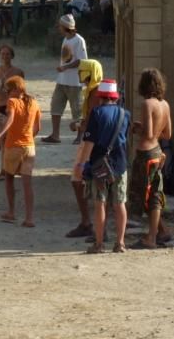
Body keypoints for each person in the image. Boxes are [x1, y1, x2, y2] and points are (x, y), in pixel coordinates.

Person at [74, 80, 131, 254]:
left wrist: (81, 164)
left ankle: (99, 244)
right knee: (120, 203)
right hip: (120, 164)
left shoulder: (96, 113)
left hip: (99, 165)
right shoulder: (125, 114)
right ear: (115, 97)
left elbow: (89, 142)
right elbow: (125, 139)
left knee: (100, 203)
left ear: (100, 97)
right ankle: (120, 243)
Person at [129, 68, 173, 250]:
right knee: (153, 192)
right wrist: (154, 131)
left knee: (147, 196)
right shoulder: (165, 105)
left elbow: (147, 134)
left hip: (145, 154)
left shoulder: (147, 104)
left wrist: (137, 128)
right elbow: (167, 134)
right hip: (157, 152)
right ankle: (162, 231)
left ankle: (151, 238)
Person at [0, 76, 41, 228]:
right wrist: (29, 137)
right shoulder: (34, 103)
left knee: (9, 178)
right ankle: (29, 218)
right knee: (27, 184)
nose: (7, 93)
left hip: (13, 146)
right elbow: (37, 128)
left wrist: (0, 135)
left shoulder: (13, 102)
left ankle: (11, 212)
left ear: (16, 89)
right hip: (29, 147)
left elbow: (11, 119)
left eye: (8, 90)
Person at [66, 59, 103, 238]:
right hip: (94, 142)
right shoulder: (92, 91)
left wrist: (78, 126)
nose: (80, 74)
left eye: (82, 71)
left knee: (78, 180)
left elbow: (92, 122)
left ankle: (88, 223)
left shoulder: (95, 93)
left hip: (91, 144)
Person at [42, 14, 87, 144]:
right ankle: (55, 135)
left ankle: (80, 136)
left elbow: (82, 61)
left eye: (60, 26)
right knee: (55, 106)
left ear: (65, 27)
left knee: (77, 110)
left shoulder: (79, 40)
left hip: (75, 81)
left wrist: (66, 67)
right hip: (62, 80)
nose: (58, 28)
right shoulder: (66, 39)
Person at [0, 44, 25, 181]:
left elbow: (23, 91)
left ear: (12, 56)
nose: (5, 56)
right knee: (0, 141)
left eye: (7, 54)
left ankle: (7, 169)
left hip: (13, 107)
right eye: (2, 54)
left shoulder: (18, 72)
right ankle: (7, 168)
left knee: (12, 139)